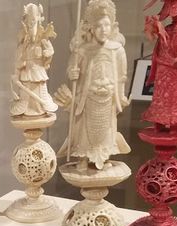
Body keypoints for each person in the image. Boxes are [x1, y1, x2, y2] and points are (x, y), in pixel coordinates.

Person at [54, 0, 130, 170]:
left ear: (112, 26)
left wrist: (121, 95)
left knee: (107, 128)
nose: (103, 30)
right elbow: (72, 69)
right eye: (99, 26)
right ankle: (83, 157)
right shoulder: (83, 50)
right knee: (84, 129)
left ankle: (105, 155)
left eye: (107, 25)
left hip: (108, 96)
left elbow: (121, 77)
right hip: (88, 96)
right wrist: (72, 72)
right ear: (92, 28)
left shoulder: (117, 50)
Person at [142, 0, 177, 131]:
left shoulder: (172, 29)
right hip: (174, 71)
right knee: (171, 100)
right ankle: (174, 125)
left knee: (164, 98)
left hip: (166, 71)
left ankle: (160, 122)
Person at [10, 3, 58, 117]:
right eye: (29, 24)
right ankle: (27, 108)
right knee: (26, 95)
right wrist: (17, 71)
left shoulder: (42, 40)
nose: (31, 26)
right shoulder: (24, 43)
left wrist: (48, 53)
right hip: (26, 73)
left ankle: (40, 108)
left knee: (40, 91)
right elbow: (18, 59)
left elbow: (50, 50)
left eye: (33, 23)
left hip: (38, 71)